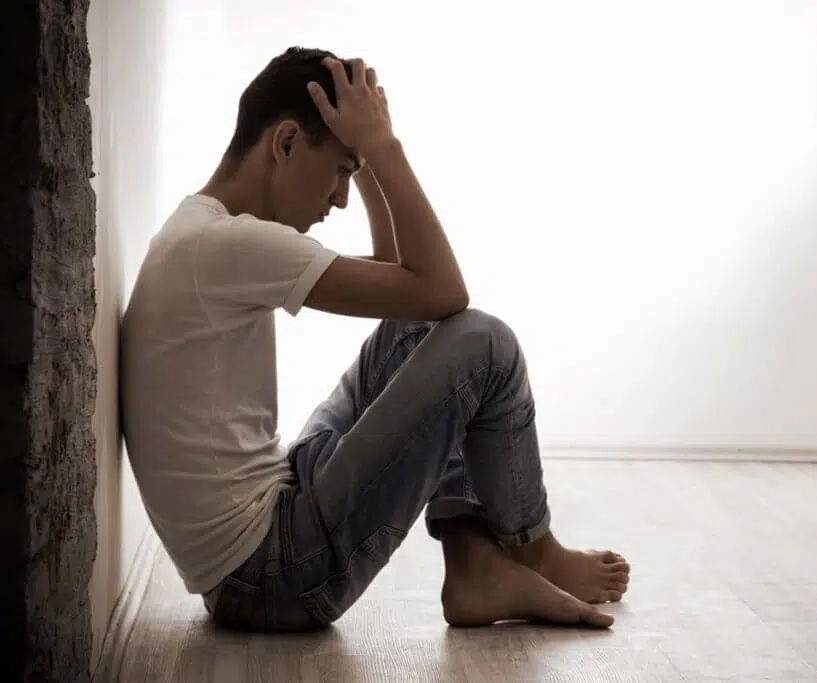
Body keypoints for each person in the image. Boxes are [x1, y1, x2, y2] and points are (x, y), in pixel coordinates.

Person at [120, 46, 630, 633]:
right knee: (485, 343)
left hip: (266, 542)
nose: (340, 197)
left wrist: (360, 151)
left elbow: (398, 276)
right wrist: (385, 149)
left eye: (351, 175)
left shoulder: (202, 232)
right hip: (275, 574)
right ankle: (534, 550)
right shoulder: (229, 246)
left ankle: (473, 564)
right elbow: (443, 290)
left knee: (413, 330)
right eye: (340, 171)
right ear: (285, 143)